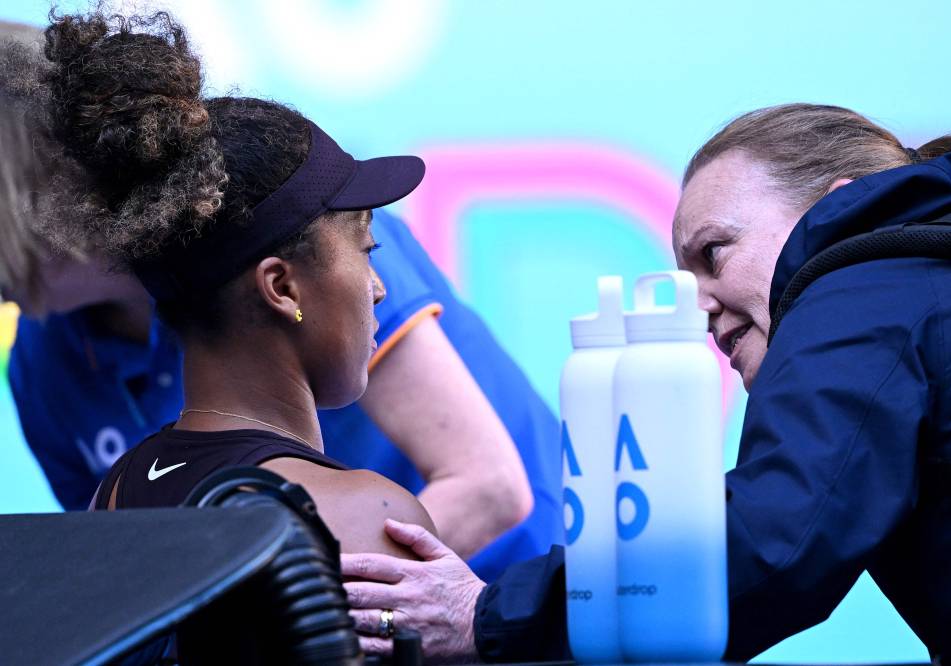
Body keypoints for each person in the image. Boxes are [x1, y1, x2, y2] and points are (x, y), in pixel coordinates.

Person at [338, 104, 951, 665]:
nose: (701, 304)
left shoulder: (862, 283)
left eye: (714, 253)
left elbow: (770, 545)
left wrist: (484, 614)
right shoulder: (932, 276)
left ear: (835, 203)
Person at [0, 21, 561, 577]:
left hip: (508, 594)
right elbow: (122, 586)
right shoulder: (43, 364)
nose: (376, 281)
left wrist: (286, 608)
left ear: (35, 192)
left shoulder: (313, 238)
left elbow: (488, 487)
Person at [35, 9, 444, 561]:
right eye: (365, 251)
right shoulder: (366, 517)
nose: (378, 289)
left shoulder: (115, 494)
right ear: (282, 287)